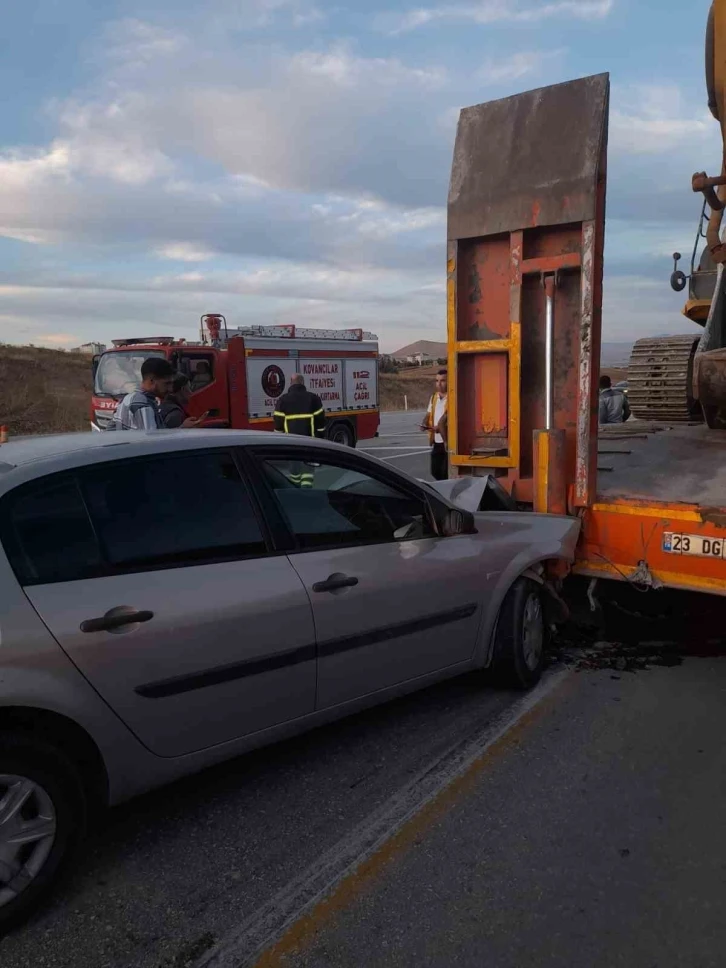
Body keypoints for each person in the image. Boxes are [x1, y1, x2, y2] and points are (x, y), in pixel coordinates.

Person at [110, 357, 174, 431]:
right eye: (167, 384)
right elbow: (152, 440)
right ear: (152, 381)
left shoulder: (130, 398)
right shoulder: (142, 405)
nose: (170, 389)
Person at [273, 374, 326, 438]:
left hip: (291, 443)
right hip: (311, 443)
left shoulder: (282, 400)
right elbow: (320, 422)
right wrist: (320, 437)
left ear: (291, 383)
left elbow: (278, 425)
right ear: (303, 383)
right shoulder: (314, 398)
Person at [422, 369, 448, 481]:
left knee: (445, 473)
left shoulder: (453, 397)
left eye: (443, 380)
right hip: (436, 440)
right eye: (437, 381)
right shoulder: (434, 397)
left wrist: (441, 426)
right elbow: (429, 413)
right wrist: (424, 423)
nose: (439, 383)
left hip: (447, 440)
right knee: (435, 471)